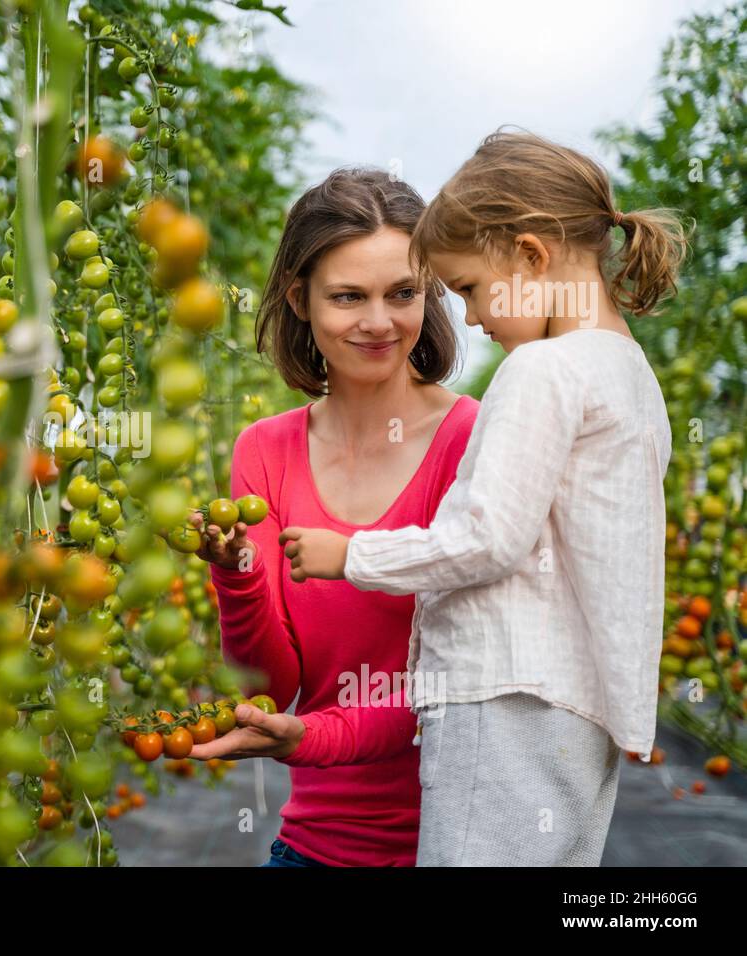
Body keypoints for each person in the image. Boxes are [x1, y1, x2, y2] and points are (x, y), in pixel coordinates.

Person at [268, 129, 685, 865]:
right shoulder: (630, 376)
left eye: (468, 288)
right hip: (581, 708)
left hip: (503, 696)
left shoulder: (541, 371)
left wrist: (353, 554)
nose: (469, 317)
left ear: (530, 255)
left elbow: (488, 537)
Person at [187, 167, 478, 867]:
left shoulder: (473, 438)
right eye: (349, 296)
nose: (380, 323)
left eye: (402, 294)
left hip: (453, 845)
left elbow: (459, 684)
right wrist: (238, 575)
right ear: (300, 298)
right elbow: (270, 687)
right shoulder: (266, 451)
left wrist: (311, 739)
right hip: (314, 848)